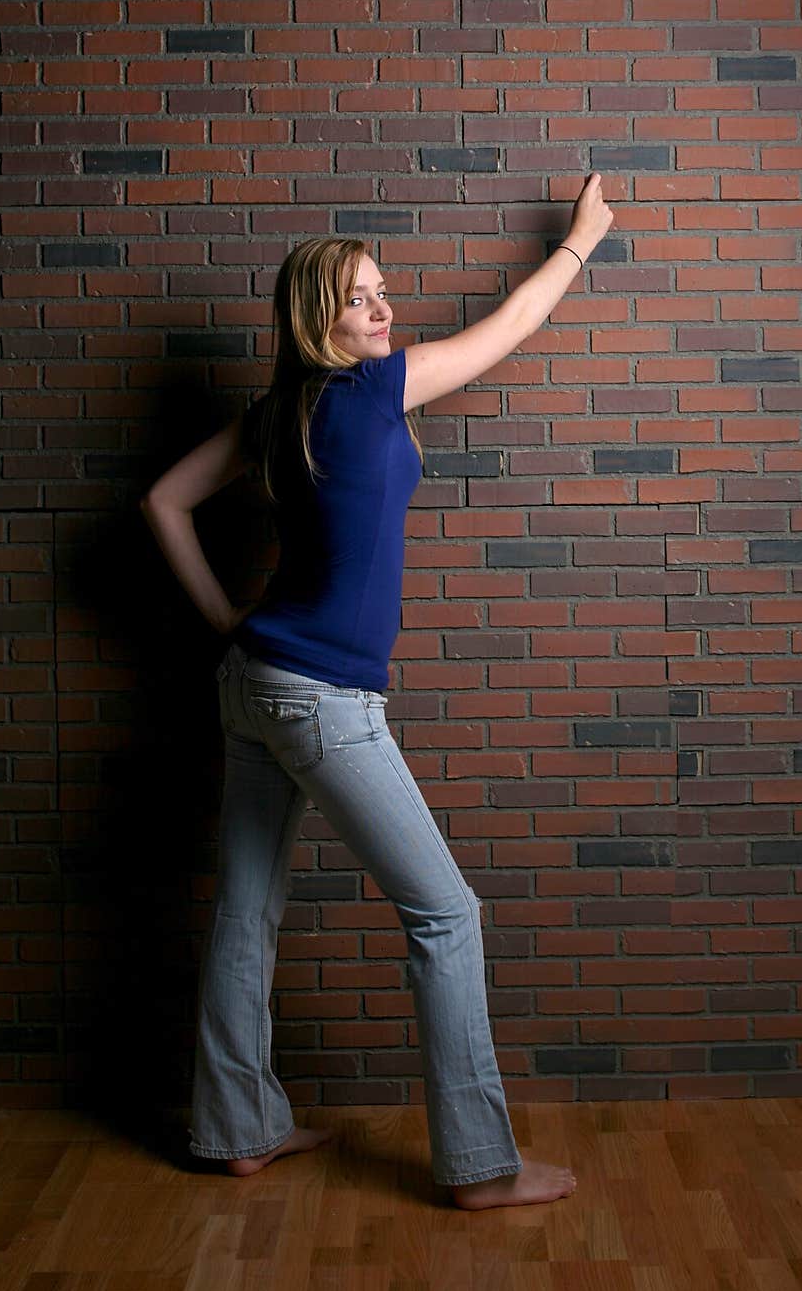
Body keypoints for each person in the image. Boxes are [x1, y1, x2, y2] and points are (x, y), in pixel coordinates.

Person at [140, 173, 614, 1210]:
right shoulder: (372, 389)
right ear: (320, 316)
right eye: (360, 297)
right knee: (445, 915)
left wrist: (231, 624)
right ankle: (481, 1166)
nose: (383, 309)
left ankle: (238, 1129)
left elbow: (163, 501)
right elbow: (517, 319)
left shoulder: (278, 413)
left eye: (383, 291)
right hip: (320, 700)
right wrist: (581, 237)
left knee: (247, 913)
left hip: (253, 682)